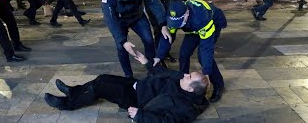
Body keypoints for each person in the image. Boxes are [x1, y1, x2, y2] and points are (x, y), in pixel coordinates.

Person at [44, 50, 210, 123]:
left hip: (136, 100)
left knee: (99, 87)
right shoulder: (181, 78)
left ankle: (66, 104)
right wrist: (145, 61)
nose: (185, 74)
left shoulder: (186, 107)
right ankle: (73, 91)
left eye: (189, 77)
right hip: (137, 85)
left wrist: (140, 116)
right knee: (102, 78)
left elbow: (167, 121)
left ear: (190, 89)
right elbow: (162, 72)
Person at [101, 0, 171, 78]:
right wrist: (122, 40)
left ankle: (152, 67)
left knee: (149, 40)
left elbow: (154, 2)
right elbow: (110, 19)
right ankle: (128, 75)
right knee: (121, 48)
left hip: (137, 16)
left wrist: (163, 24)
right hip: (120, 20)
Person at [157, 0, 227, 103]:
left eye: (178, 23)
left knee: (202, 57)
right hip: (192, 28)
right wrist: (159, 56)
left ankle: (219, 85)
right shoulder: (175, 15)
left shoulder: (201, 18)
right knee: (183, 55)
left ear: (187, 14)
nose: (175, 25)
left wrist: (206, 73)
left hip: (212, 23)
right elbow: (168, 36)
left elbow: (206, 48)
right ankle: (183, 81)